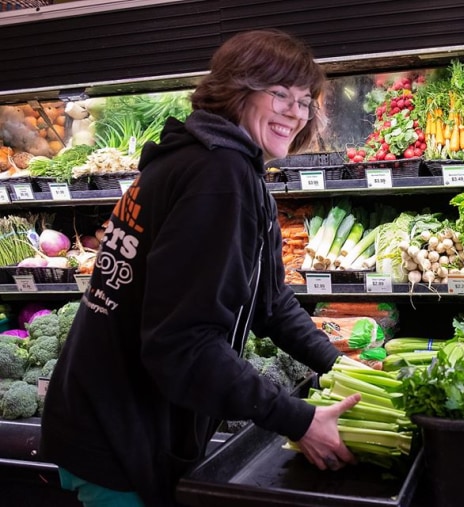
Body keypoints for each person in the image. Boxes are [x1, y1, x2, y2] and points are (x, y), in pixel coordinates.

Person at [40, 29, 361, 507]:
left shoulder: (208, 161)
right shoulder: (218, 175)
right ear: (237, 90)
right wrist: (298, 420)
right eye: (279, 94)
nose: (295, 112)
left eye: (304, 100)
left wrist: (340, 365)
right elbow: (182, 344)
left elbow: (270, 301)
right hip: (121, 437)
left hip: (105, 416)